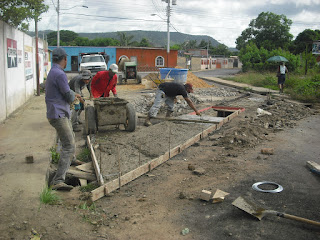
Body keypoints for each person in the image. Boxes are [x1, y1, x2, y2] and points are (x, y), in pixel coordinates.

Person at [45, 47, 81, 191]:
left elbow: (64, 89)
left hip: (57, 112)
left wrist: (73, 94)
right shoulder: (59, 74)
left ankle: (71, 160)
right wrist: (74, 97)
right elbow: (67, 93)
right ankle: (58, 180)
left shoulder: (54, 71)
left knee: (69, 136)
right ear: (65, 59)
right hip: (58, 114)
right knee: (69, 144)